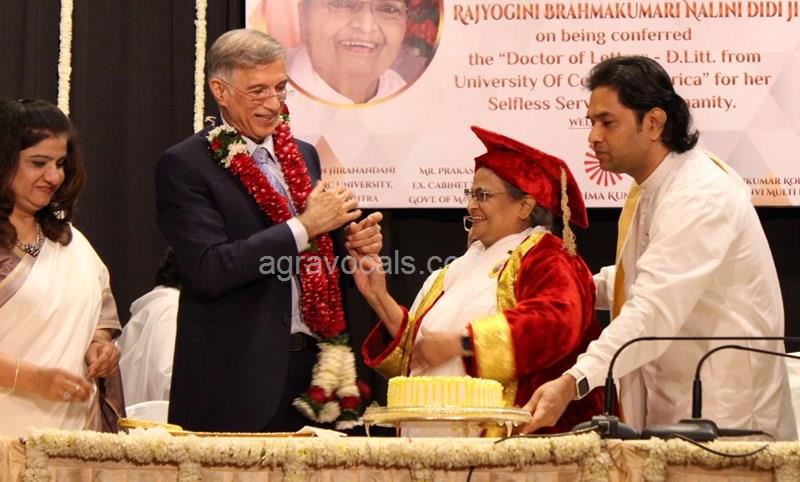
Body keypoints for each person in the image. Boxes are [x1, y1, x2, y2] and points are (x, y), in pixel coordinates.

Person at [523, 56, 796, 440]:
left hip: (727, 422)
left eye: (607, 122)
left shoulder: (699, 193)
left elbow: (652, 307)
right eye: (591, 122)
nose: (593, 137)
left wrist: (574, 381)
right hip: (678, 412)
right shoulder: (654, 187)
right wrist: (562, 287)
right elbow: (637, 279)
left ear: (653, 123)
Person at [155, 29, 381, 432]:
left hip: (314, 373)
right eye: (258, 91)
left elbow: (311, 257)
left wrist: (350, 248)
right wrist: (306, 225)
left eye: (280, 88)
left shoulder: (304, 155)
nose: (274, 103)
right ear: (220, 91)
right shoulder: (186, 165)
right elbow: (210, 268)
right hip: (235, 377)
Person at [352, 126, 604, 434]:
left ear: (524, 205)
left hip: (512, 446)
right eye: (470, 194)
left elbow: (556, 322)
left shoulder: (549, 256)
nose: (471, 205)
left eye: (483, 195)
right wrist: (379, 297)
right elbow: (423, 355)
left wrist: (462, 343)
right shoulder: (458, 269)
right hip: (435, 444)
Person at [0, 99, 121, 437]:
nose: (53, 176)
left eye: (60, 163)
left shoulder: (71, 242)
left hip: (69, 440)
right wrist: (32, 379)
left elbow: (101, 318)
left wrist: (99, 345)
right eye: (38, 163)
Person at [288, 0, 408, 104]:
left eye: (388, 9)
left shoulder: (404, 96)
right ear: (304, 17)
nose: (366, 27)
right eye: (341, 3)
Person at [117, 248, 180, 405]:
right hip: (157, 418)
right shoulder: (172, 308)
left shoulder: (157, 305)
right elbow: (167, 381)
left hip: (136, 416)